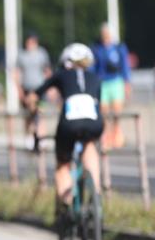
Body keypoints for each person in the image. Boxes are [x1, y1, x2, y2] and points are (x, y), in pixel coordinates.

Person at [26, 43, 103, 220]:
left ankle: (66, 206)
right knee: (90, 145)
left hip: (69, 124)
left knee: (63, 164)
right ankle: (96, 195)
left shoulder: (60, 75)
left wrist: (32, 111)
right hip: (94, 122)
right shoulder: (96, 78)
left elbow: (34, 96)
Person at [92, 23, 131, 149]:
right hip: (103, 82)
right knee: (103, 110)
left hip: (116, 81)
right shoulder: (97, 48)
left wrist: (127, 83)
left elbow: (125, 67)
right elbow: (94, 68)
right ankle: (106, 135)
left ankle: (116, 134)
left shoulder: (119, 48)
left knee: (116, 110)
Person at [15, 33, 52, 133]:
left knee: (40, 113)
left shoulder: (42, 53)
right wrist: (19, 90)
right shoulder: (22, 55)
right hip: (27, 88)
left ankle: (41, 138)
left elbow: (47, 71)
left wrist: (50, 87)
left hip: (40, 88)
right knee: (28, 114)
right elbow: (17, 73)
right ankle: (30, 139)